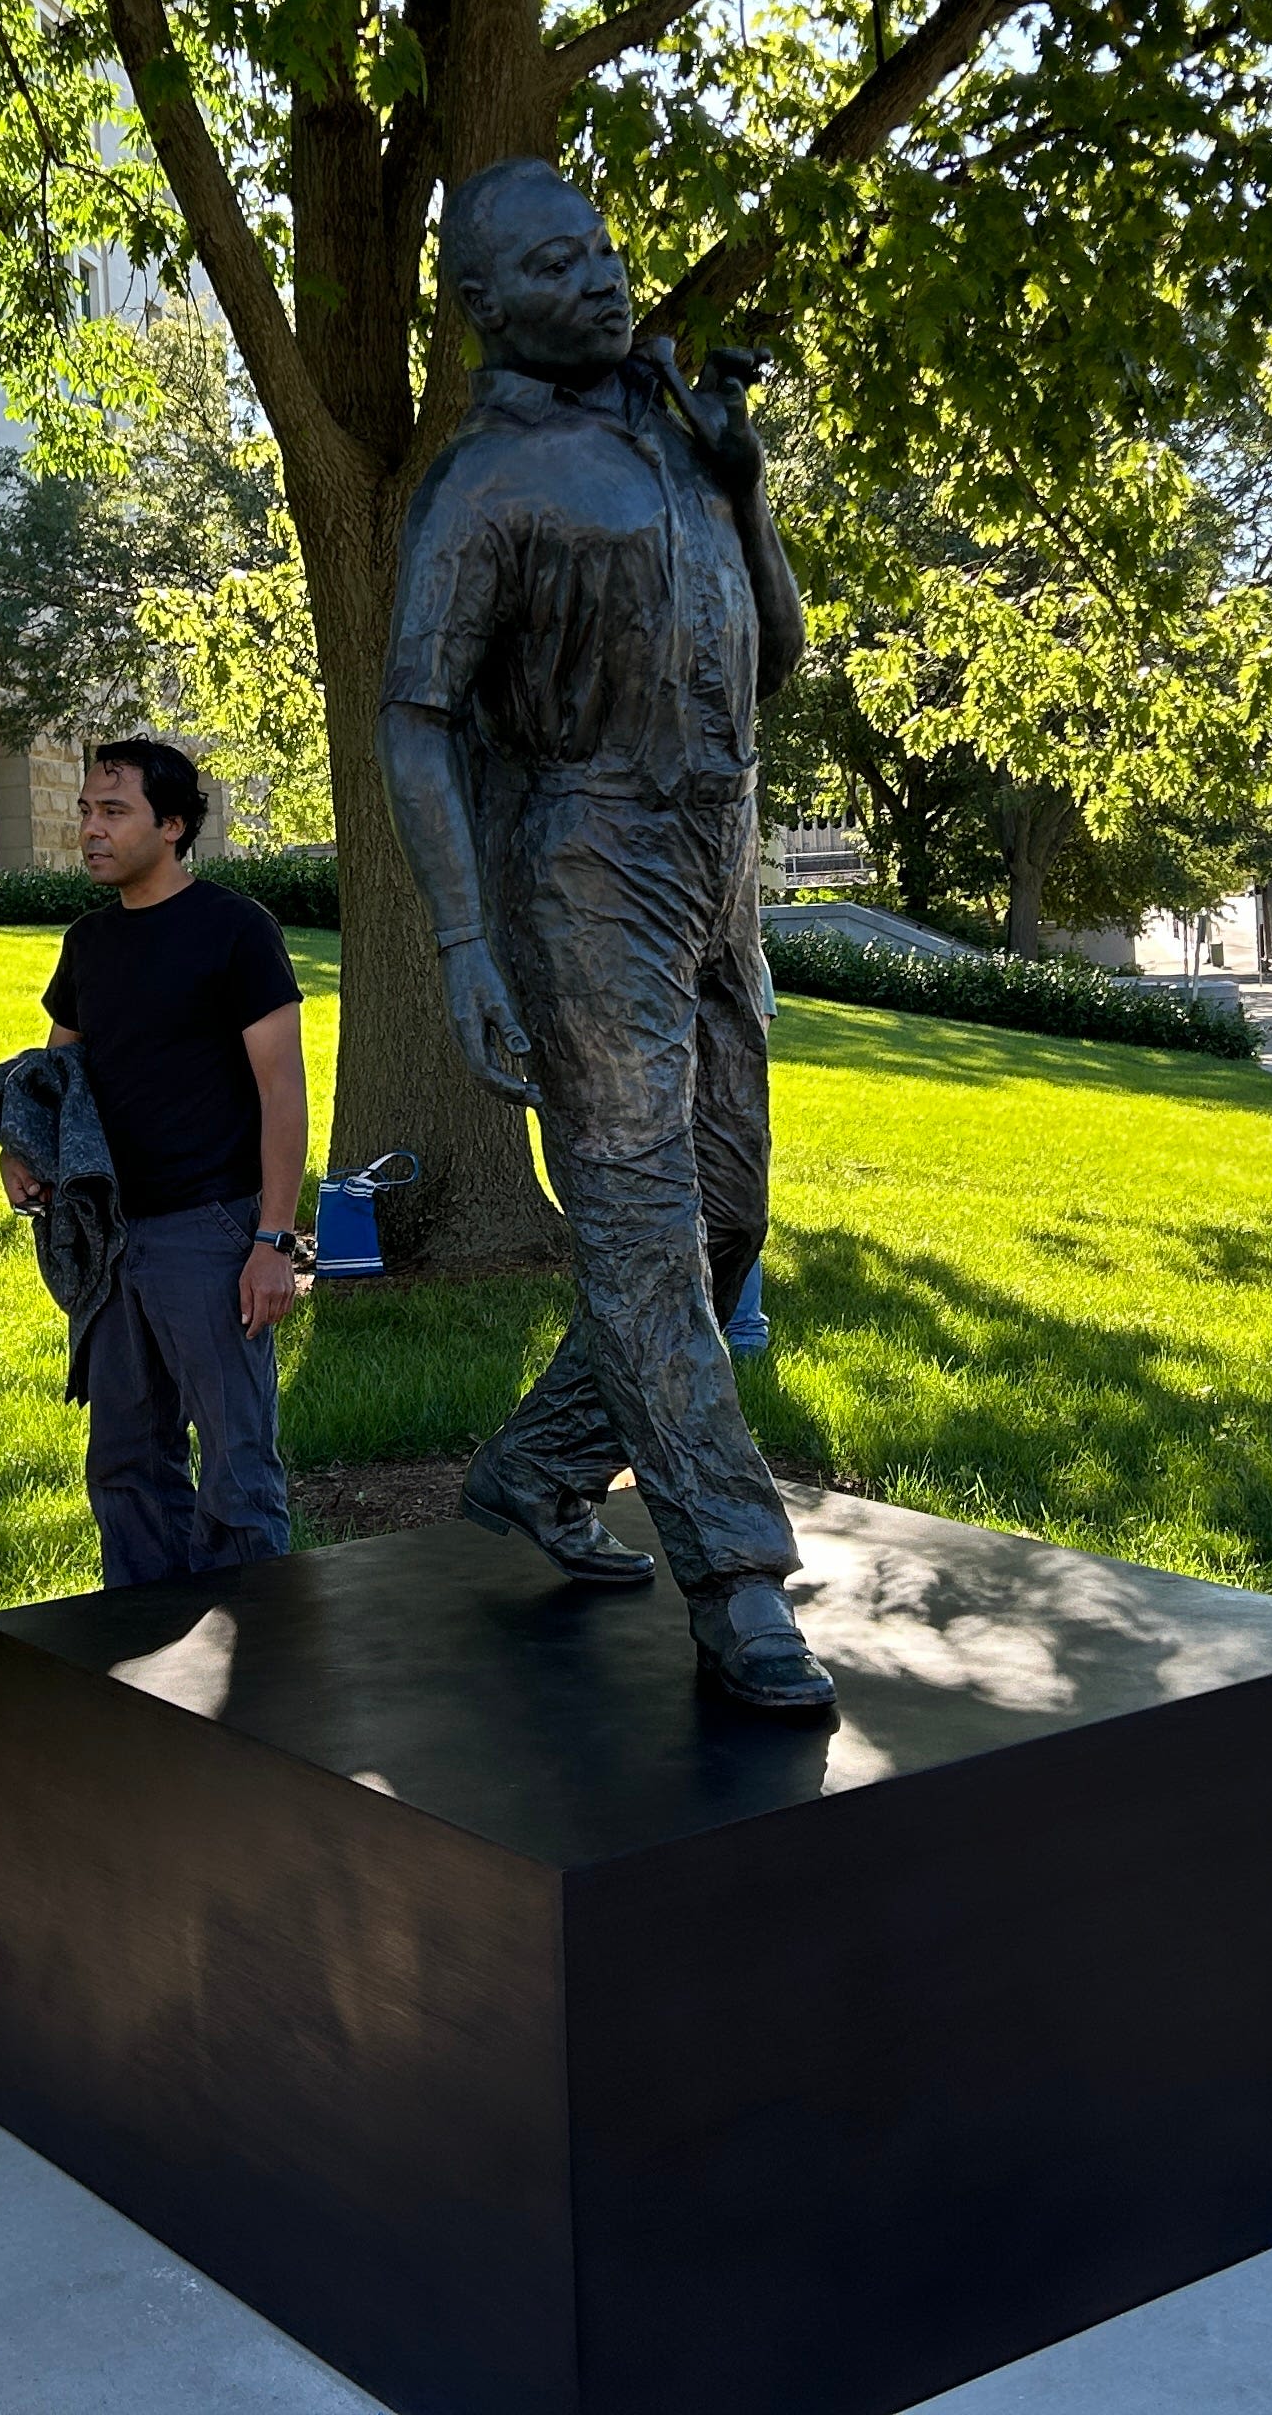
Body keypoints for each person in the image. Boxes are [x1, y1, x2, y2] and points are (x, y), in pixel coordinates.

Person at [379, 158, 834, 1712]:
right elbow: (417, 719)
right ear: (485, 307)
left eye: (604, 251)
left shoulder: (681, 451)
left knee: (723, 1220)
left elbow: (775, 657)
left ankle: (533, 1464)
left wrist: (747, 482)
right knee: (641, 1223)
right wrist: (460, 940)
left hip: (720, 862)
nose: (600, 279)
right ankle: (738, 1575)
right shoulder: (481, 485)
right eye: (555, 266)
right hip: (580, 868)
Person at [0, 740, 311, 1585]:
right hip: (110, 1240)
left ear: (172, 826)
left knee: (237, 1474)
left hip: (211, 1232)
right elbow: (54, 1077)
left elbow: (284, 1094)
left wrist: (271, 1242)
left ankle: (265, 1669)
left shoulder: (237, 931)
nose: (90, 830)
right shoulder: (89, 942)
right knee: (127, 1469)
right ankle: (145, 1666)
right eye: (85, 813)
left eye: (113, 811)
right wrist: (20, 1155)